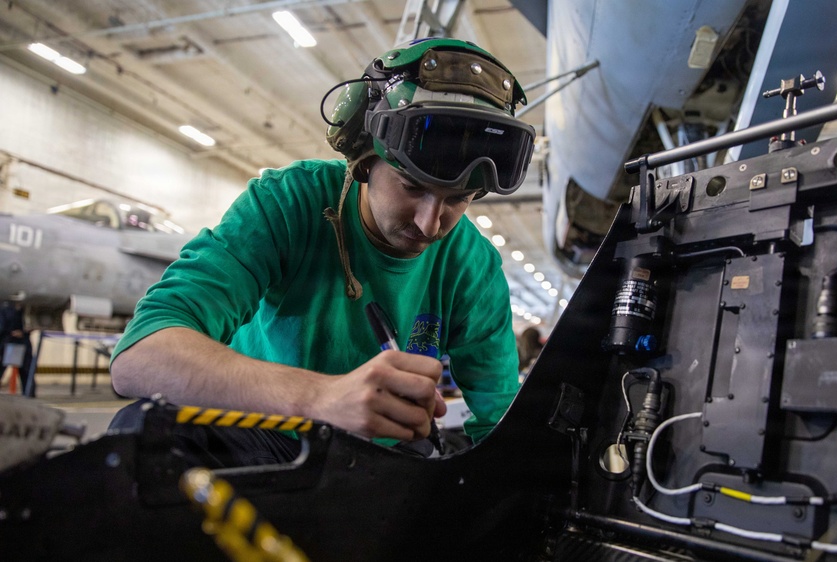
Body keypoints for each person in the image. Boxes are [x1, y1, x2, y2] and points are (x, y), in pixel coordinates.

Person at [109, 37, 535, 465]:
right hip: (264, 434)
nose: (430, 223)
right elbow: (140, 356)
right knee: (141, 435)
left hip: (386, 459)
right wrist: (320, 397)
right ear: (365, 160)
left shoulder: (474, 265)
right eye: (412, 187)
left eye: (458, 200)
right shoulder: (288, 203)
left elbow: (501, 416)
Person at [0, 300, 34, 396]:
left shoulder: (5, 308)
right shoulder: (27, 308)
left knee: (26, 371)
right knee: (26, 372)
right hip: (15, 342)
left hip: (11, 342)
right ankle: (29, 394)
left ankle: (29, 394)